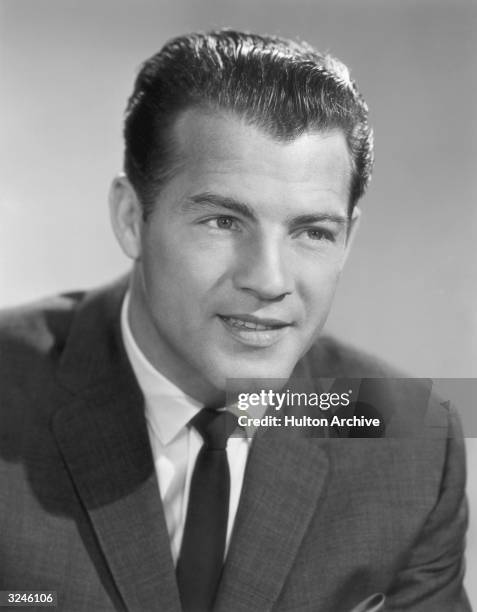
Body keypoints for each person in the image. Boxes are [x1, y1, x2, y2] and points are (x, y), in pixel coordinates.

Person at [0, 29, 470, 612]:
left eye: (313, 232)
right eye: (223, 221)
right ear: (130, 218)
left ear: (348, 241)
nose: (269, 280)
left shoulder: (409, 444)